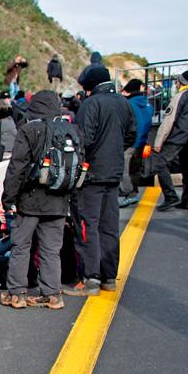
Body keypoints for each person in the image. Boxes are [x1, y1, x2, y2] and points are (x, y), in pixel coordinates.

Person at [63, 68, 136, 296]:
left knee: (87, 225)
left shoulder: (91, 105)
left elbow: (85, 139)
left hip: (92, 175)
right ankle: (108, 277)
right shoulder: (124, 104)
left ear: (89, 86)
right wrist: (113, 151)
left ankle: (90, 278)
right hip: (114, 172)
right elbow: (131, 135)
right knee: (109, 226)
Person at [0, 91, 73, 310]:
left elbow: (17, 168)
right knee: (51, 249)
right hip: (59, 201)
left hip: (31, 200)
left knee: (21, 246)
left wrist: (8, 198)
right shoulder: (70, 130)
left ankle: (17, 293)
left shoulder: (30, 130)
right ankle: (52, 295)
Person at [152, 70, 188, 211]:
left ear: (180, 82)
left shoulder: (179, 97)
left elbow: (168, 121)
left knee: (160, 163)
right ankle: (187, 200)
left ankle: (171, 196)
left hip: (177, 137)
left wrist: (158, 142)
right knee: (187, 168)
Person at [119, 78, 153, 207]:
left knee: (124, 169)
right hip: (142, 141)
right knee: (135, 169)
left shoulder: (128, 104)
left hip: (130, 142)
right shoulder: (147, 104)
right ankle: (134, 190)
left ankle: (129, 193)